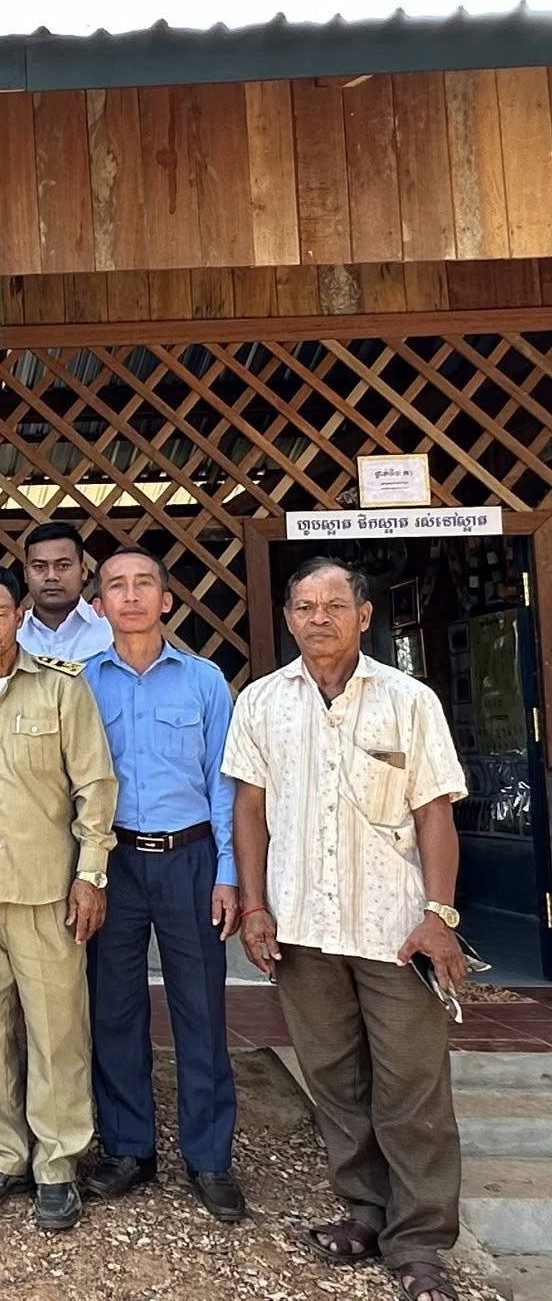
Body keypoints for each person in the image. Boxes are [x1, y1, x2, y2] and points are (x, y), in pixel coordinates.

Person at [225, 557, 469, 1301]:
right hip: (303, 928)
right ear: (288, 618)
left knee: (412, 1089)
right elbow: (249, 811)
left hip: (397, 932)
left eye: (335, 605)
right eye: (305, 606)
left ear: (364, 616)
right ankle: (365, 1213)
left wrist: (439, 915)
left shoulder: (409, 700)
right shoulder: (261, 702)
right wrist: (256, 907)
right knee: (334, 1081)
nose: (319, 618)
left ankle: (420, 1242)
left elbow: (435, 811)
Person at [0, 564, 118, 1232]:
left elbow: (96, 788)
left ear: (19, 616)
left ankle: (57, 1163)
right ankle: (2, 1154)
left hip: (47, 890)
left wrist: (91, 875)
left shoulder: (64, 689)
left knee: (57, 1030)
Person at [81, 548, 246, 1222]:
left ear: (167, 600)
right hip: (114, 861)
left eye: (143, 584)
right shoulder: (83, 683)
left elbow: (224, 783)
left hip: (190, 857)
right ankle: (129, 1149)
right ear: (99, 605)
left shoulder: (205, 681)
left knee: (200, 1010)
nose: (130, 596)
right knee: (114, 1010)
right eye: (116, 586)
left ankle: (210, 1159)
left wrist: (229, 872)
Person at [16, 522, 113, 662]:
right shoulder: (11, 633)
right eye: (39, 567)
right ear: (26, 574)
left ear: (83, 571)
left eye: (63, 565)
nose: (51, 576)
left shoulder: (111, 628)